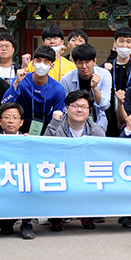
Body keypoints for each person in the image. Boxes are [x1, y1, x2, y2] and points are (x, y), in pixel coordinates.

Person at [44, 90, 105, 232]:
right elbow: (45, 148)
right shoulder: (56, 125)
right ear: (66, 108)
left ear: (89, 111)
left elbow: (102, 155)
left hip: (85, 169)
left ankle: (86, 215)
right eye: (75, 106)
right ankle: (56, 218)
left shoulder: (96, 130)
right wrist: (53, 124)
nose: (79, 110)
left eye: (83, 107)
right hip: (61, 169)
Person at [0, 103, 36, 240]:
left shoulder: (28, 140)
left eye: (15, 117)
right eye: (7, 117)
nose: (11, 121)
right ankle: (5, 222)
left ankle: (26, 223)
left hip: (20, 180)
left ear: (21, 122)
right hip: (0, 179)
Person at [1, 46, 66, 135]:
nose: (41, 65)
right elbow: (4, 103)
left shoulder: (58, 89)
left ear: (52, 66)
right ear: (33, 63)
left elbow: (59, 117)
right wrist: (16, 83)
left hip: (46, 130)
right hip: (20, 129)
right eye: (38, 61)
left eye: (46, 62)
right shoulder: (21, 80)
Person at [60, 43, 112, 131]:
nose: (84, 66)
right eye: (80, 62)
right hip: (73, 123)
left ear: (94, 61)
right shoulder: (66, 79)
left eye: (87, 62)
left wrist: (95, 88)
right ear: (75, 62)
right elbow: (65, 107)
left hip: (98, 121)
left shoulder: (104, 75)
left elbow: (104, 106)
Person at [103, 27, 131, 137]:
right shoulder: (105, 68)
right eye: (121, 41)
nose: (124, 45)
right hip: (109, 120)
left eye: (128, 41)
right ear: (115, 43)